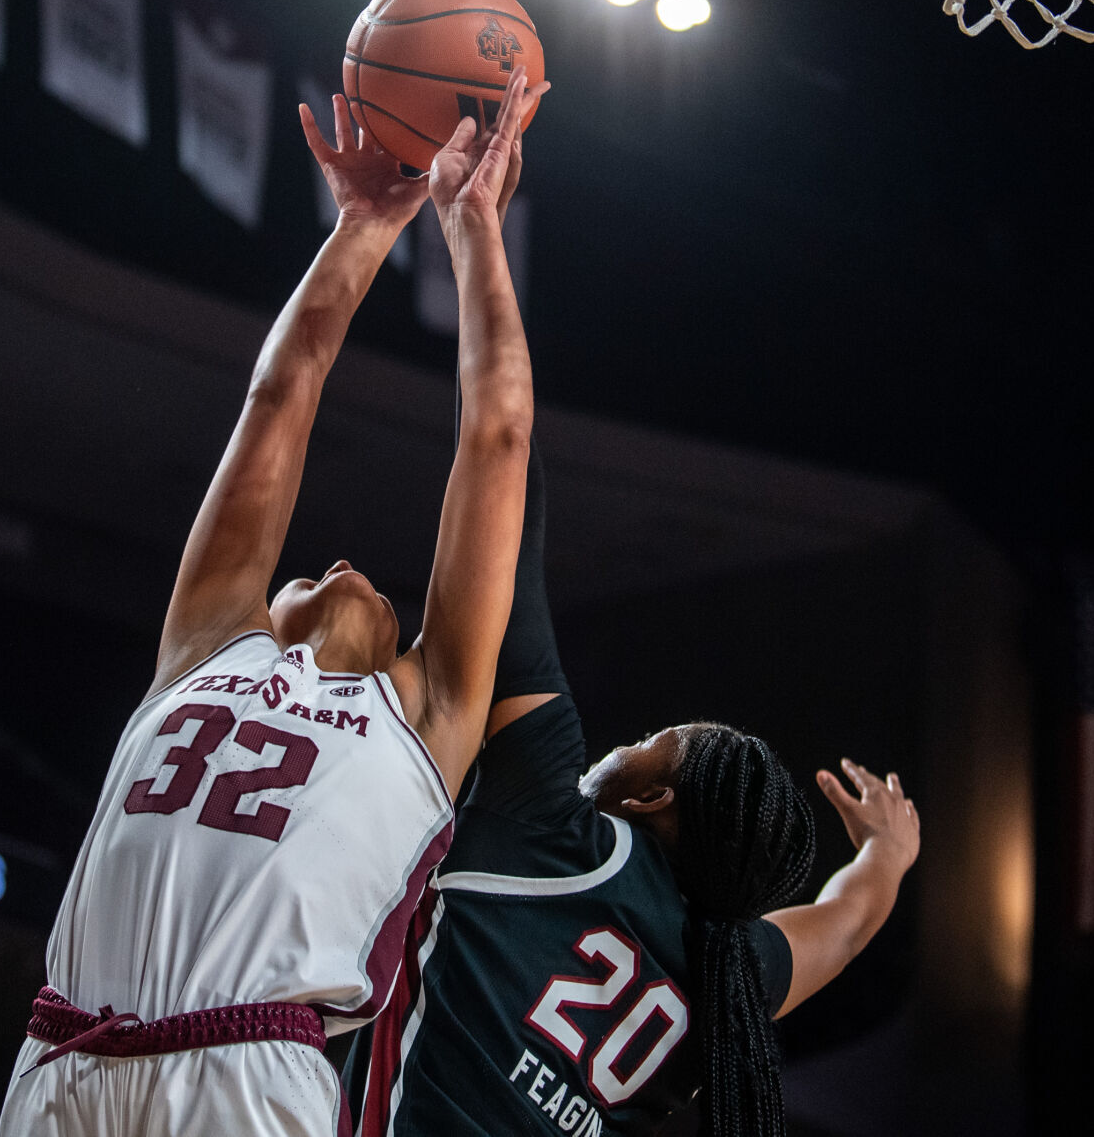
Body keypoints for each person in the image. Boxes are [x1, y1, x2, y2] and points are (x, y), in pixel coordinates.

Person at [0, 67, 548, 1137]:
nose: (339, 560)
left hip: (247, 1074)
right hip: (63, 1055)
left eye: (372, 585)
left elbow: (499, 438)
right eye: (305, 570)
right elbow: (280, 390)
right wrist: (362, 228)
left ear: (404, 644)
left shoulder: (429, 713)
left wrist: (474, 227)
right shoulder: (207, 642)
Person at [343, 431, 922, 1137]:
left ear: (650, 798)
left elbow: (505, 496)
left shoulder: (553, 825)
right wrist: (886, 857)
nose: (626, 744)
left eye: (647, 744)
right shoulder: (735, 973)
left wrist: (504, 375)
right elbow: (851, 923)